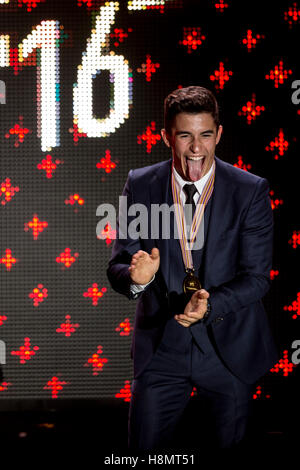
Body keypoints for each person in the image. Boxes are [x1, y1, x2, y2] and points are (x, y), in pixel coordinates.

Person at [107, 86, 278, 452]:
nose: (196, 148)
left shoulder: (249, 191)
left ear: (218, 134)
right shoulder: (141, 184)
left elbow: (257, 278)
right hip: (161, 348)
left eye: (204, 135)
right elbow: (120, 264)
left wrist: (210, 303)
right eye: (185, 136)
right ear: (167, 136)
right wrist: (137, 279)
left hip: (229, 348)